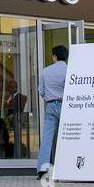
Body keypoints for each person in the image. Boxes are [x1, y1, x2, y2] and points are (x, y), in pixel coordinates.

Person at [36, 44, 68, 177]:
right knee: (67, 136)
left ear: (54, 57)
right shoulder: (69, 70)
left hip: (50, 105)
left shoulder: (45, 71)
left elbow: (41, 91)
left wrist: (49, 97)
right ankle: (66, 168)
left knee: (47, 139)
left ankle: (42, 170)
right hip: (66, 106)